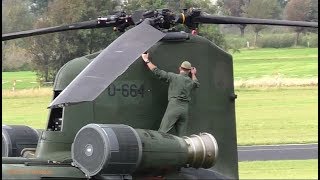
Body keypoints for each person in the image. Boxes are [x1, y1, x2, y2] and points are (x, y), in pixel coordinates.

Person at [141, 53, 200, 136]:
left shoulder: (173, 77)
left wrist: (146, 60)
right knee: (182, 138)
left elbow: (157, 71)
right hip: (184, 110)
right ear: (189, 70)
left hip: (174, 107)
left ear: (180, 68)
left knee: (161, 133)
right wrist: (193, 74)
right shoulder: (190, 81)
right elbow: (196, 83)